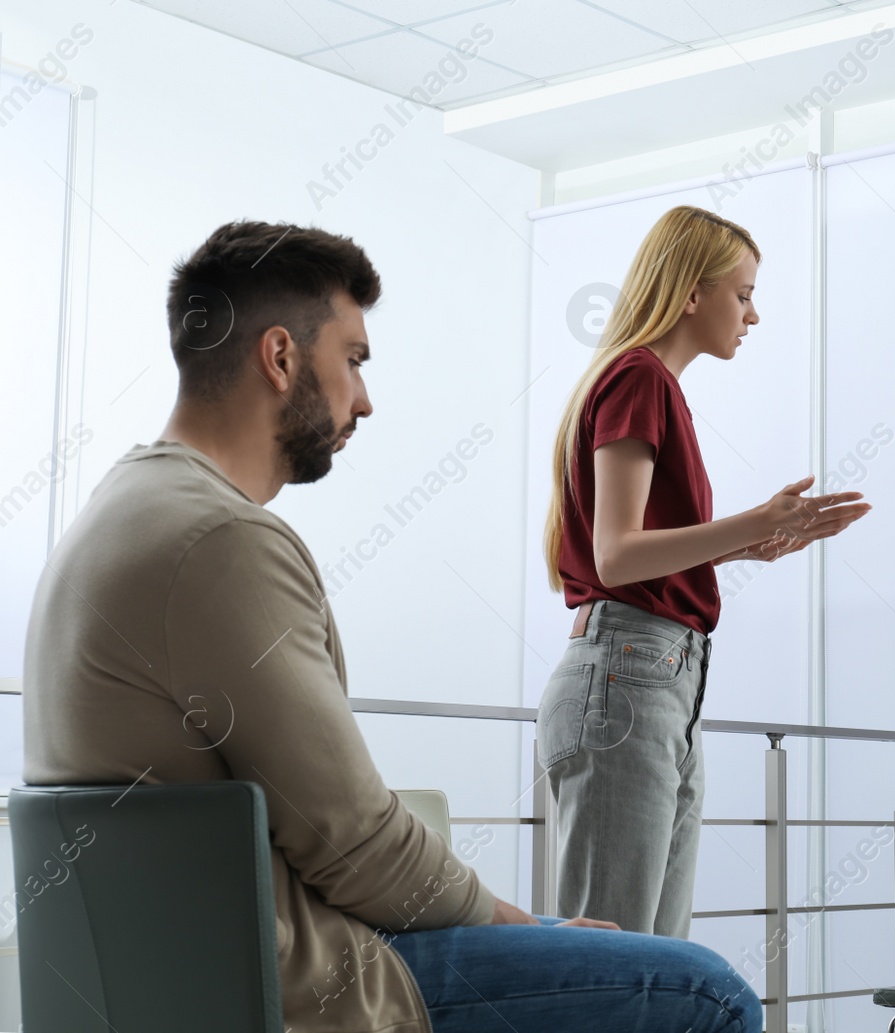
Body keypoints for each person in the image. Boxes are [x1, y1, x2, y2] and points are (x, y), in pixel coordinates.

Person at [22, 220, 762, 1033]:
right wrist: (519, 922)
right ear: (280, 357)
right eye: (354, 360)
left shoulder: (121, 511)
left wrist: (527, 923)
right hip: (307, 983)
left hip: (184, 974)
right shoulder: (220, 541)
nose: (365, 399)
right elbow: (357, 845)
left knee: (608, 940)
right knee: (706, 990)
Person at [537, 205, 870, 937]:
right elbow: (617, 555)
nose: (753, 314)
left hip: (659, 679)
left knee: (651, 958)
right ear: (692, 292)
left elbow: (636, 551)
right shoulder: (639, 378)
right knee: (616, 961)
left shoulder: (648, 384)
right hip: (631, 674)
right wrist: (755, 522)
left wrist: (750, 544)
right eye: (743, 293)